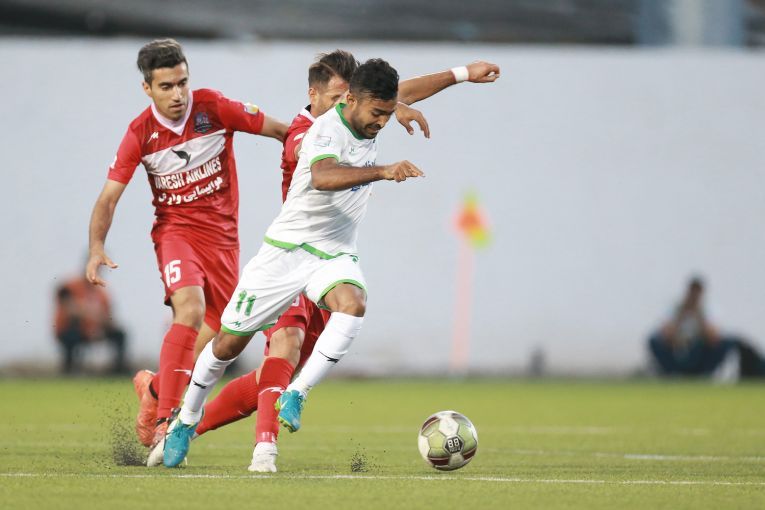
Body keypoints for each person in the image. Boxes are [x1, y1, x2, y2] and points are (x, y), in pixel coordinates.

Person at [147, 52, 500, 471]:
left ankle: (296, 396)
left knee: (353, 304)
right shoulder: (322, 131)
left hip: (333, 250)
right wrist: (383, 170)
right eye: (378, 113)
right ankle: (186, 420)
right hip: (286, 251)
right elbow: (323, 177)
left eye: (387, 113)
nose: (382, 122)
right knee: (227, 344)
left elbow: (406, 90)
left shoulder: (368, 110)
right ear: (349, 100)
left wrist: (463, 74)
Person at [85, 38, 288, 450]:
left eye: (182, 83)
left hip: (224, 244)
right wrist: (96, 247)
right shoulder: (140, 133)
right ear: (147, 88)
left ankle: (154, 390)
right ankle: (165, 421)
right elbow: (108, 197)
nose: (178, 94)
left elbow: (283, 132)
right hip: (176, 233)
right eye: (166, 86)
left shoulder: (213, 108)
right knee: (190, 309)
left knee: (223, 341)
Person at [648, 276, 764, 377]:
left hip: (700, 349)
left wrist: (699, 316)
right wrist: (680, 316)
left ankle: (704, 373)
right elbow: (666, 334)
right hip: (677, 347)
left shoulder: (708, 308)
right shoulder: (676, 307)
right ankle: (673, 372)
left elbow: (714, 337)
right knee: (654, 339)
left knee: (726, 341)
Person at [54, 270, 127, 374]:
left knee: (119, 334)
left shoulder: (102, 293)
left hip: (94, 330)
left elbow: (108, 317)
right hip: (73, 329)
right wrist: (92, 315)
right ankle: (70, 370)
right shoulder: (69, 287)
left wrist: (101, 327)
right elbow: (69, 308)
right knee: (72, 336)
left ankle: (118, 369)